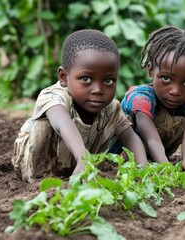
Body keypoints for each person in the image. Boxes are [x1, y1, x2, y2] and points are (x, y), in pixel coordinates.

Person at [12, 29, 148, 183]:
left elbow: (130, 137)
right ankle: (44, 180)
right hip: (35, 168)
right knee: (44, 125)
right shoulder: (53, 96)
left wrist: (143, 169)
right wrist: (83, 158)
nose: (98, 90)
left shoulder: (111, 108)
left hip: (79, 166)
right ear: (64, 77)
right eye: (86, 79)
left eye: (108, 81)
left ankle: (83, 171)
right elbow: (62, 123)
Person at [109, 26, 185, 183]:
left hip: (155, 157)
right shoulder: (140, 98)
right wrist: (166, 169)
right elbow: (152, 140)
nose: (175, 91)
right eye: (166, 78)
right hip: (118, 159)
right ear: (151, 71)